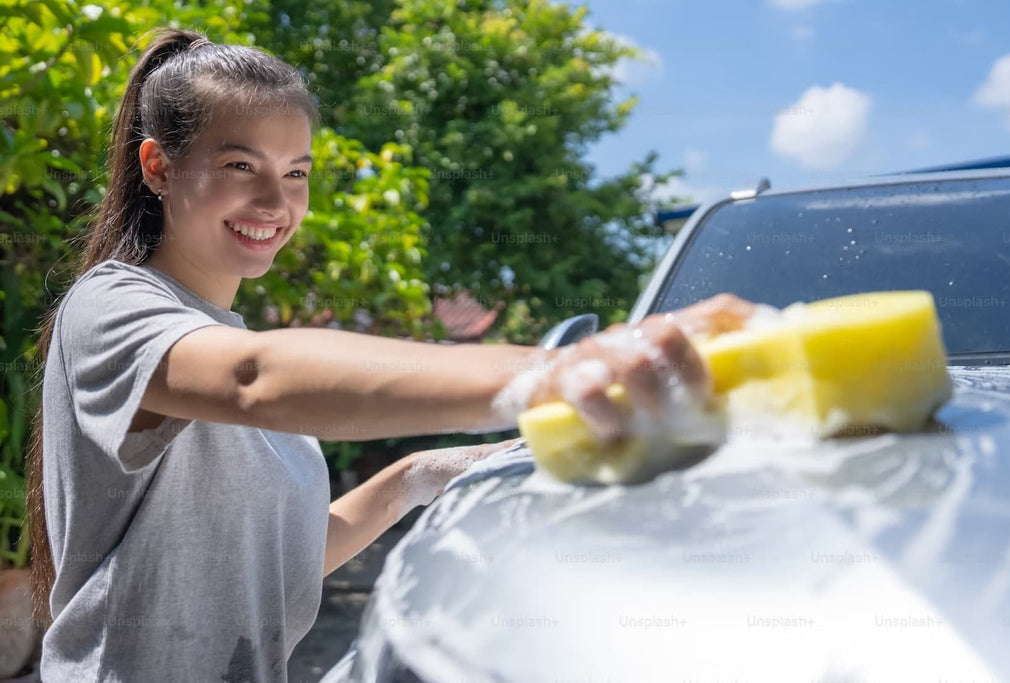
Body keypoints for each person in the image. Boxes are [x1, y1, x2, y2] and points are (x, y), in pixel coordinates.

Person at [22, 27, 755, 683]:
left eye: (297, 172)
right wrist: (562, 367)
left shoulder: (225, 335)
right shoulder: (112, 306)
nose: (277, 202)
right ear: (158, 167)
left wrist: (416, 475)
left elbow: (276, 565)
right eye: (242, 165)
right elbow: (254, 379)